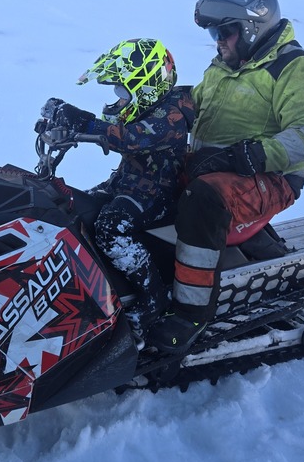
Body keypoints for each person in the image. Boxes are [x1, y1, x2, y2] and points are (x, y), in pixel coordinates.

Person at [147, 0, 304, 354]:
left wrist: (249, 156)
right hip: (214, 168)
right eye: (214, 33)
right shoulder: (224, 66)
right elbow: (196, 104)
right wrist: (155, 113)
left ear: (252, 28)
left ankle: (191, 313)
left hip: (272, 177)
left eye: (225, 32)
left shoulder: (296, 68)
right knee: (150, 177)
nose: (218, 41)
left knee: (203, 199)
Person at [42, 38, 195, 343]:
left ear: (147, 85)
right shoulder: (153, 105)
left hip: (157, 195)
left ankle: (152, 297)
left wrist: (83, 122)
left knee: (111, 227)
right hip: (127, 184)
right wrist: (61, 126)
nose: (118, 100)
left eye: (122, 92)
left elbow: (130, 138)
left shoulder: (173, 113)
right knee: (77, 208)